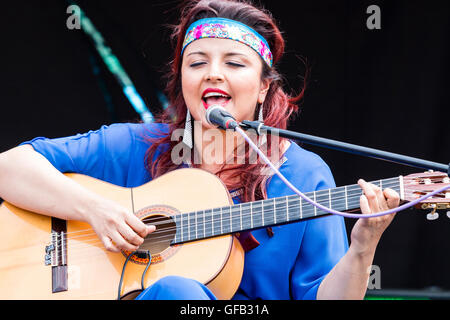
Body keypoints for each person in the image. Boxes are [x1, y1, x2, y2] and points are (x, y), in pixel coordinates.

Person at [0, 0, 399, 300]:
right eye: (197, 62)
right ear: (183, 80)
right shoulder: (135, 145)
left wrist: (364, 246)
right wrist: (94, 211)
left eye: (234, 63)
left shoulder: (302, 174)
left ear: (263, 87)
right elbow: (10, 167)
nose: (213, 73)